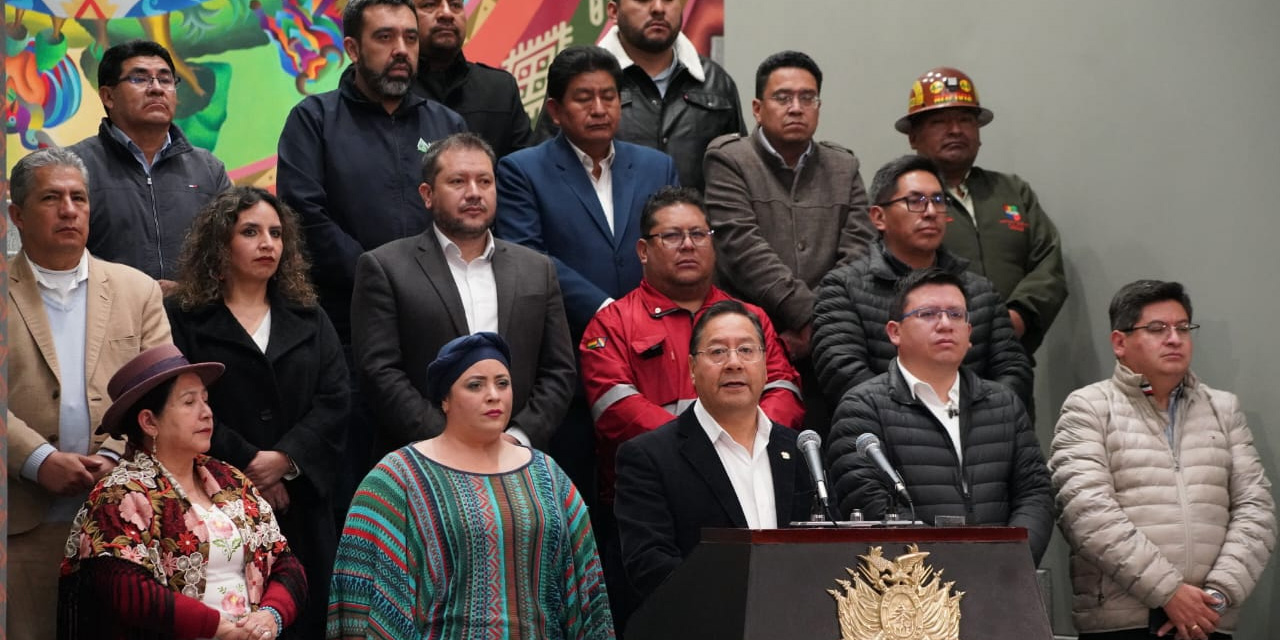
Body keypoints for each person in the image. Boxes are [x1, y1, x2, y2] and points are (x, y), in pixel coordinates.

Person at [579, 187, 804, 625]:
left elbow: (783, 392)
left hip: (759, 485)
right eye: (673, 236)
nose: (688, 245)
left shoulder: (749, 318)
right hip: (660, 510)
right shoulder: (614, 321)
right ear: (643, 250)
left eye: (699, 234)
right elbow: (617, 413)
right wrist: (703, 449)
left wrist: (743, 441)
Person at [328, 332, 615, 639]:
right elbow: (360, 598)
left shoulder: (548, 474)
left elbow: (588, 591)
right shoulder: (397, 479)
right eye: (475, 385)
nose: (493, 395)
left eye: (502, 383)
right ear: (445, 400)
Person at [496, 44, 679, 502]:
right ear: (555, 110)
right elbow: (528, 254)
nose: (599, 108)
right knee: (577, 498)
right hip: (569, 358)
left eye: (609, 96)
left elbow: (671, 245)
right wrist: (607, 309)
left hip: (651, 360)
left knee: (650, 497)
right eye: (584, 98)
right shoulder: (522, 170)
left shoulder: (657, 165)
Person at [166, 187, 350, 639]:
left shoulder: (310, 315)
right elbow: (183, 403)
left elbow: (336, 398)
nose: (267, 242)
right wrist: (252, 467)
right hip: (212, 502)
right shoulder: (185, 316)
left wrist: (286, 461)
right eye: (250, 232)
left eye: (275, 232)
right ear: (220, 244)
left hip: (302, 502)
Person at [6, 148, 172, 640]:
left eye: (78, 197)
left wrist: (114, 454)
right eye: (51, 198)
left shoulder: (136, 291)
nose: (69, 210)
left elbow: (161, 391)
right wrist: (37, 458)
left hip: (122, 524)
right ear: (16, 214)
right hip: (19, 525)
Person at [1050, 280, 1275, 640]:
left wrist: (1217, 596)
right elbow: (1086, 513)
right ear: (1119, 343)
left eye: (1183, 328)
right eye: (1157, 329)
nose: (1174, 338)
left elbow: (1256, 510)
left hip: (1207, 619)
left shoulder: (1224, 409)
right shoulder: (1089, 407)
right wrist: (1168, 592)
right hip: (1124, 621)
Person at [58, 344, 308, 640]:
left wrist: (271, 616)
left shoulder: (229, 479)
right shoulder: (120, 493)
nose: (207, 413)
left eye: (206, 399)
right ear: (149, 421)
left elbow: (286, 563)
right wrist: (219, 629)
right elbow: (128, 592)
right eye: (189, 402)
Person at [352, 132, 575, 459]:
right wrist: (447, 443)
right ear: (427, 194)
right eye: (458, 181)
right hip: (423, 462)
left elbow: (559, 370)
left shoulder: (537, 268)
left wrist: (518, 438)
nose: (474, 193)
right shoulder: (385, 267)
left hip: (517, 460)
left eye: (485, 181)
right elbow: (379, 372)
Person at [825, 268, 1053, 565]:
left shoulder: (1003, 404)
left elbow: (1035, 494)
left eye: (956, 315)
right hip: (910, 592)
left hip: (1003, 580)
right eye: (928, 314)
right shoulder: (863, 407)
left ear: (970, 333)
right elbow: (869, 501)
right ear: (894, 332)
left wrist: (1012, 560)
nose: (945, 324)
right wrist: (943, 569)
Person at [276, 0, 467, 346]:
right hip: (346, 321)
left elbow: (467, 213)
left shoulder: (447, 124)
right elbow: (303, 216)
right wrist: (378, 277)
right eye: (384, 37)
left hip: (440, 317)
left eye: (410, 39)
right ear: (353, 48)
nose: (401, 50)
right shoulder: (314, 120)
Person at [702, 50, 874, 431]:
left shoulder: (843, 166)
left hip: (834, 347)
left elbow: (859, 249)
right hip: (752, 339)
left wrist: (821, 328)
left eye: (807, 98)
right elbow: (742, 248)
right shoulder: (729, 160)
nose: (796, 107)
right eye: (783, 98)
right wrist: (811, 319)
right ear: (758, 108)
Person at [613, 301, 815, 603]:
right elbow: (650, 567)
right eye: (718, 352)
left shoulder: (799, 450)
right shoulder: (648, 457)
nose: (734, 363)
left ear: (764, 365)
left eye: (747, 350)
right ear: (693, 369)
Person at [812, 154, 1032, 408]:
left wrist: (974, 419)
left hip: (976, 433)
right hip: (886, 435)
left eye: (938, 201)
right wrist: (920, 422)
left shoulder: (979, 291)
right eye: (915, 201)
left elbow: (1013, 370)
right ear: (878, 217)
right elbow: (843, 374)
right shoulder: (843, 288)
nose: (930, 212)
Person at [896, 67, 1067, 353]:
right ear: (913, 137)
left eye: (966, 120)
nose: (955, 130)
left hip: (1011, 353)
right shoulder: (899, 197)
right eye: (940, 122)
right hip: (931, 355)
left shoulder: (1012, 191)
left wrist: (1018, 317)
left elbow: (1048, 263)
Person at [69, 39, 232, 294]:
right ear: (108, 96)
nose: (156, 89)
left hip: (193, 322)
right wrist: (137, 294)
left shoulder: (209, 170)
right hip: (106, 322)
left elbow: (233, 253)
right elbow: (56, 256)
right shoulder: (72, 168)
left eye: (165, 80)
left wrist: (188, 292)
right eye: (139, 79)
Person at [534, 0, 746, 190]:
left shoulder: (715, 81)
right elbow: (545, 170)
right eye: (643, 0)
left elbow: (738, 171)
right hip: (603, 229)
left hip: (693, 232)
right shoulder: (578, 81)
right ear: (613, 11)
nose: (658, 8)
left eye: (669, 0)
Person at [411, 0, 531, 158]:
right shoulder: (392, 89)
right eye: (429, 5)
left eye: (455, 5)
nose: (447, 14)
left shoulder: (500, 88)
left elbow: (524, 173)